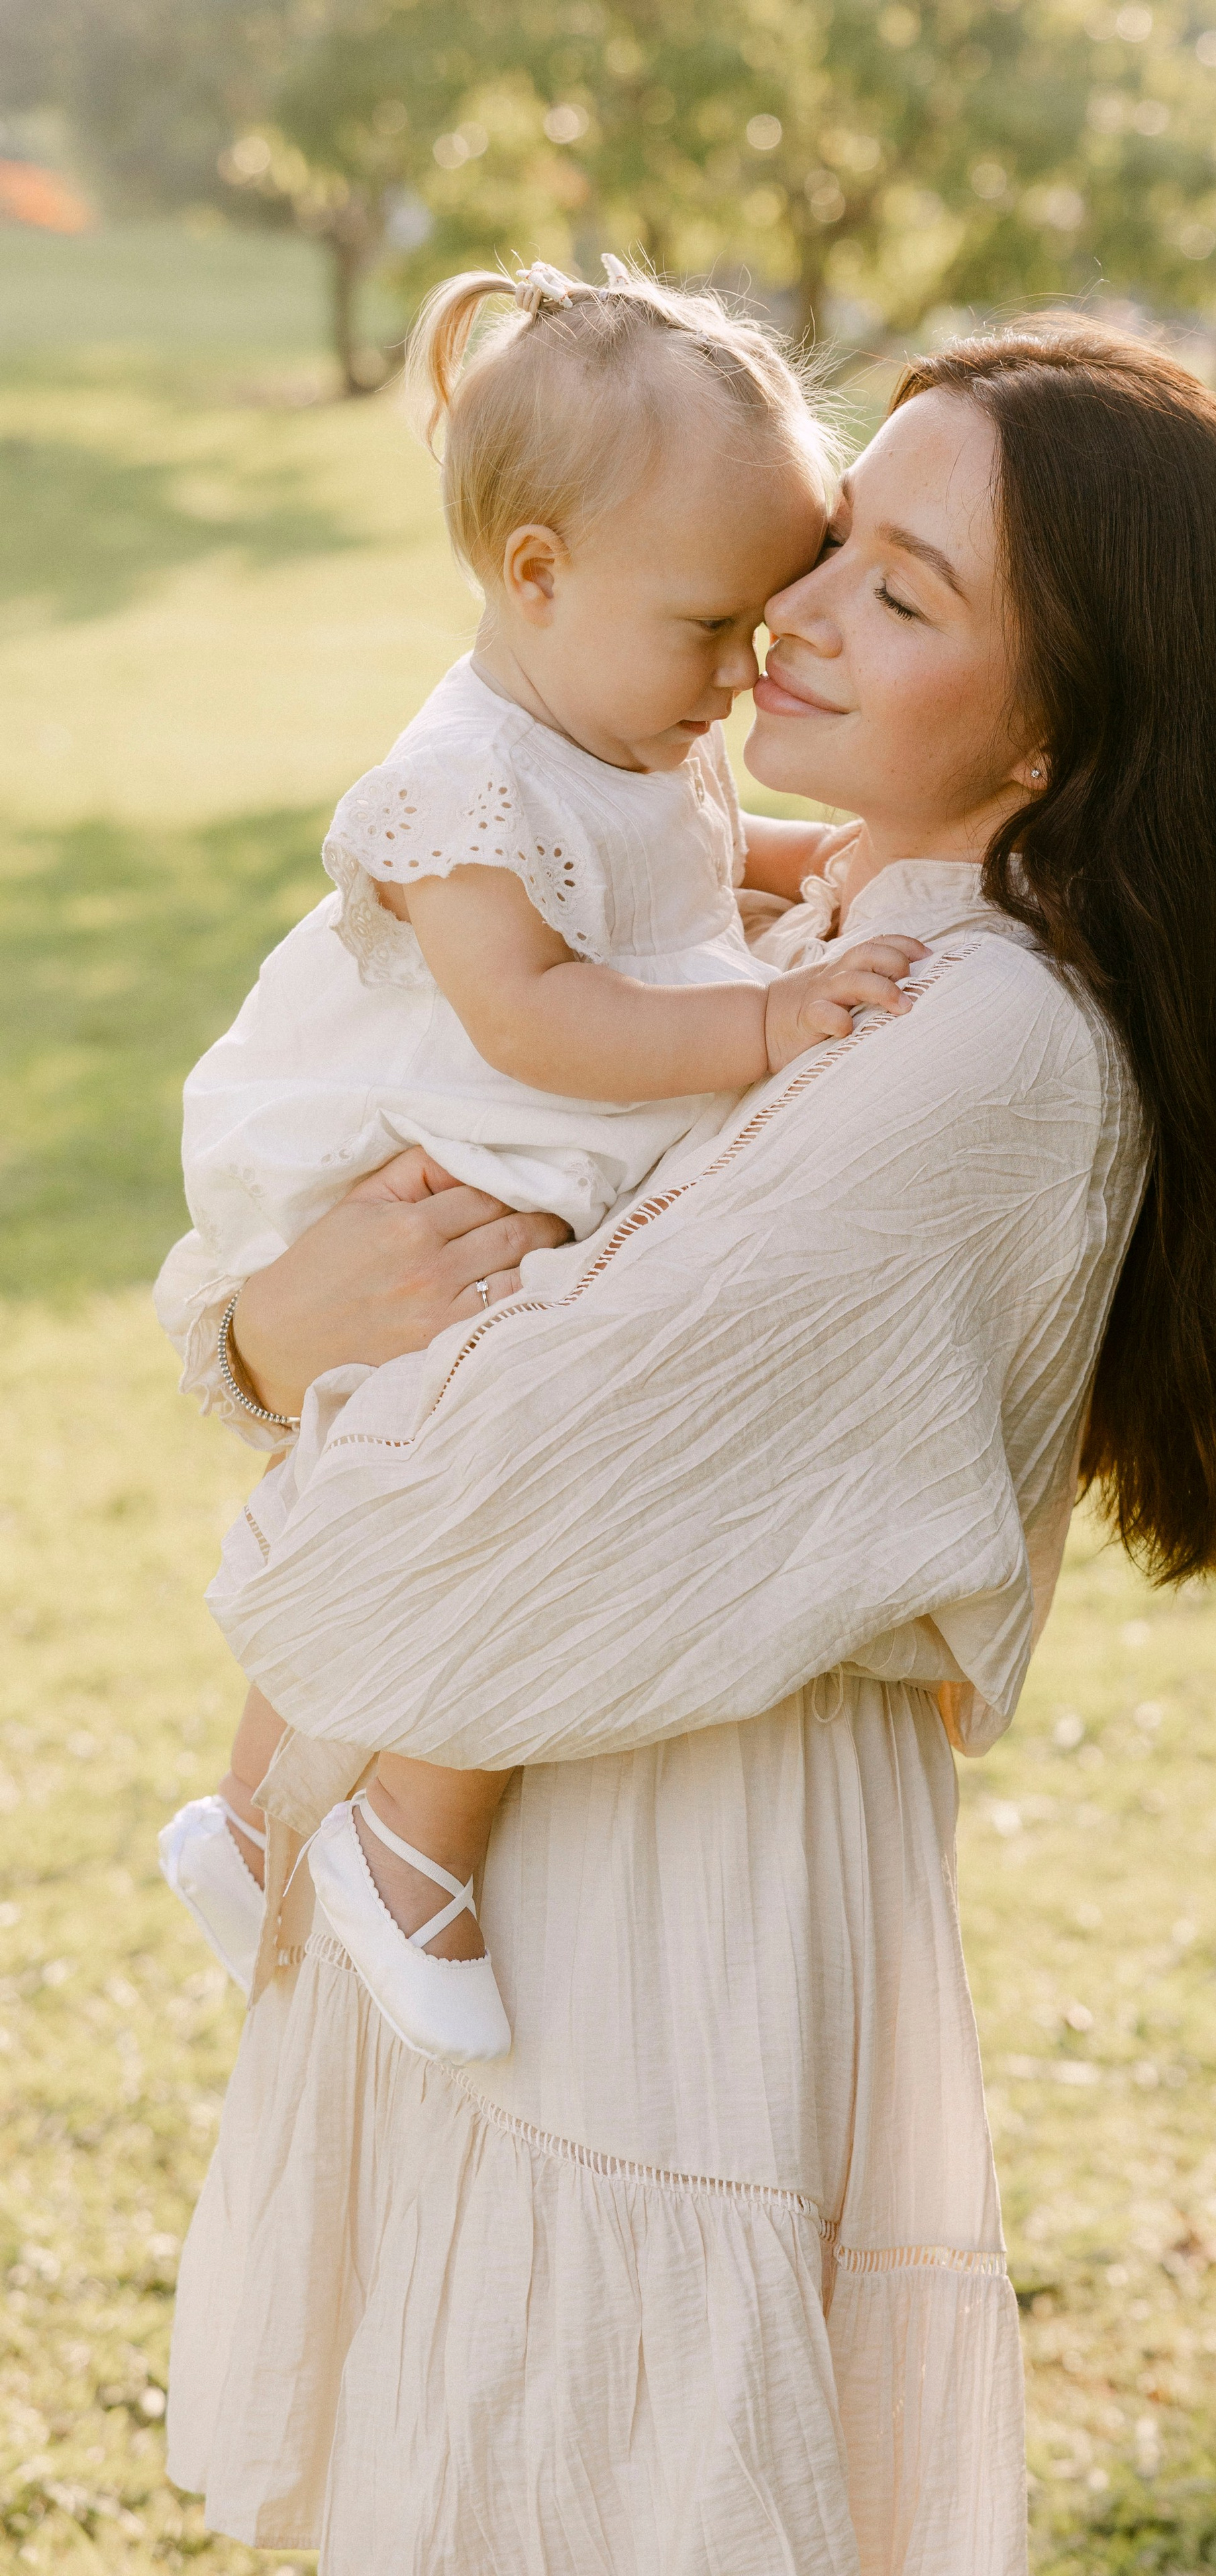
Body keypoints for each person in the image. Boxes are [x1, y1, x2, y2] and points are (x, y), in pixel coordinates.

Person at [162, 316, 1216, 2573]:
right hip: (568, 1835)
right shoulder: (862, 927)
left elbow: (450, 1510)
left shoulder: (976, 1047)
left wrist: (276, 1357)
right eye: (832, 546)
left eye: (901, 595)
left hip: (661, 1910)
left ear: (1067, 725)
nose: (789, 614)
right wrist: (269, 1327)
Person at [152, 258, 922, 2065]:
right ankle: (406, 1821)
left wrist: (831, 856)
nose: (745, 681)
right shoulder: (463, 785)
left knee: (481, 1437)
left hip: (544, 1109)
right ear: (537, 575)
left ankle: (256, 1808)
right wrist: (759, 1030)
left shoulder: (626, 715)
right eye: (711, 630)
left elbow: (681, 864)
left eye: (764, 630)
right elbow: (537, 1012)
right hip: (449, 1119)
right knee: (519, 1425)